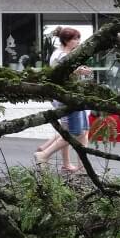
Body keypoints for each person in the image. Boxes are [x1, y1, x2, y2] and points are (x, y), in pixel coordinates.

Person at [34, 27, 91, 173]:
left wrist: (79, 70)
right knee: (75, 131)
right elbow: (64, 73)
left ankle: (73, 165)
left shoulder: (63, 54)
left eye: (78, 38)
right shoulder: (60, 55)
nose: (78, 42)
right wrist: (79, 71)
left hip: (72, 96)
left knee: (81, 131)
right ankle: (44, 154)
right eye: (75, 39)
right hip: (67, 98)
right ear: (66, 40)